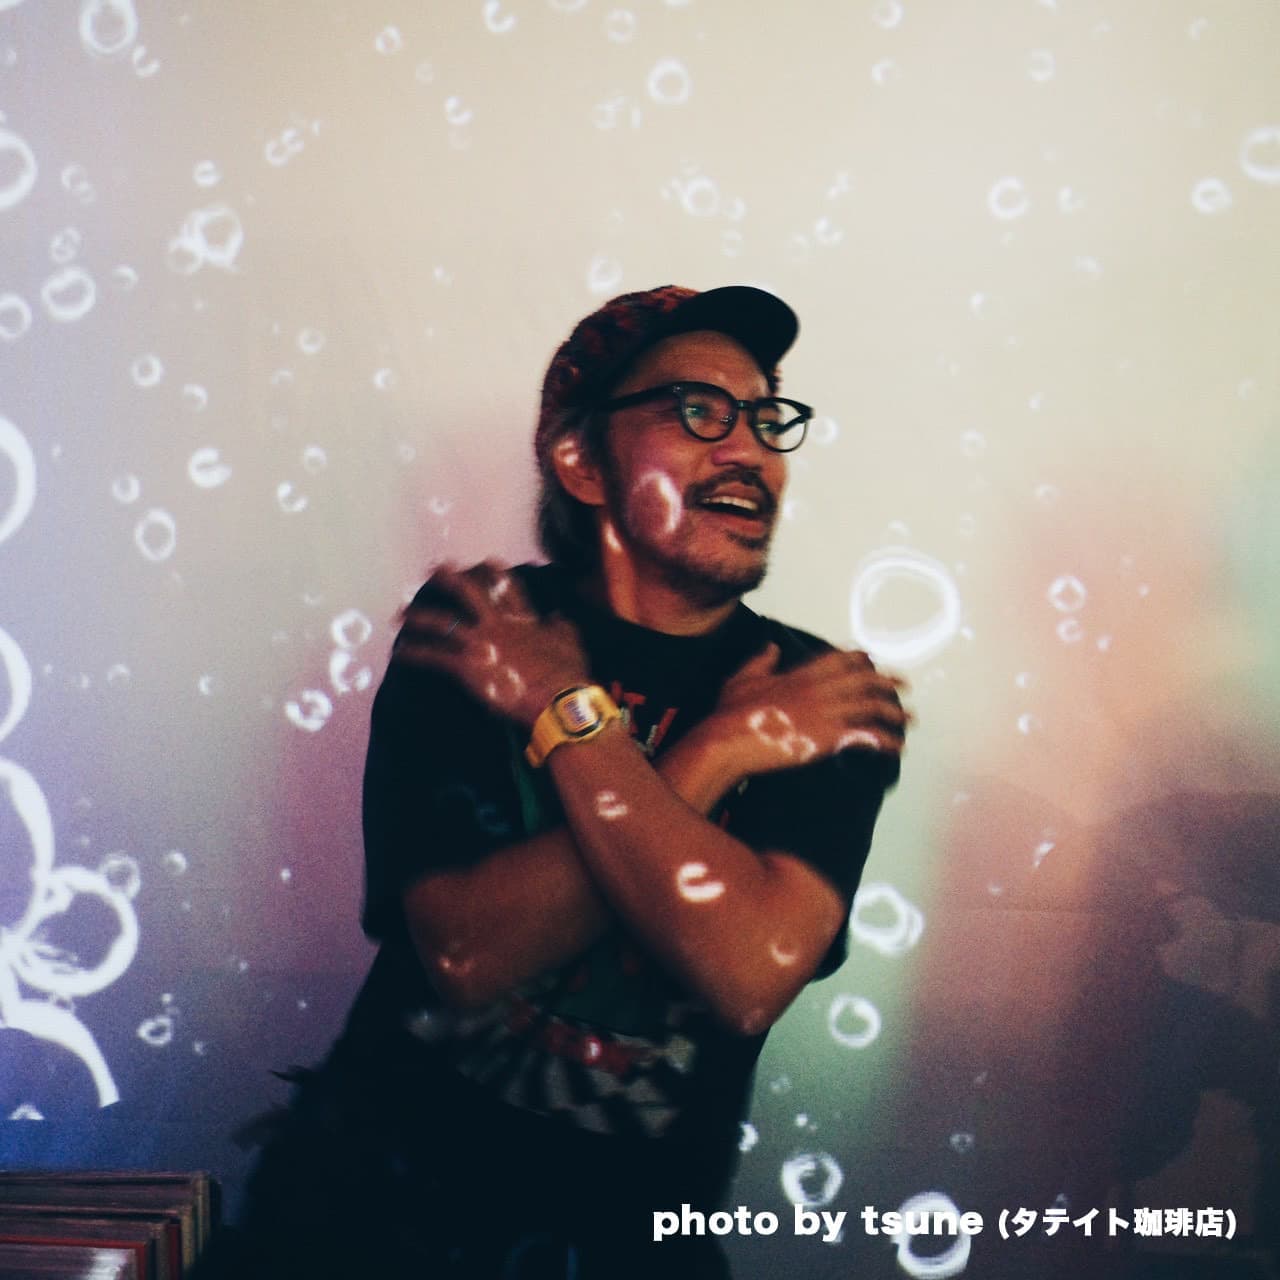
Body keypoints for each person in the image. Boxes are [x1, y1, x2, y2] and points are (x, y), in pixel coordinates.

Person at [206, 284, 908, 1279]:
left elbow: (748, 970)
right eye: (698, 411)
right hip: (355, 1229)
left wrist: (559, 710)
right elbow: (465, 950)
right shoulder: (482, 627)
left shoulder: (823, 696)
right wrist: (715, 751)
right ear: (580, 460)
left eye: (765, 417)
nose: (749, 450)